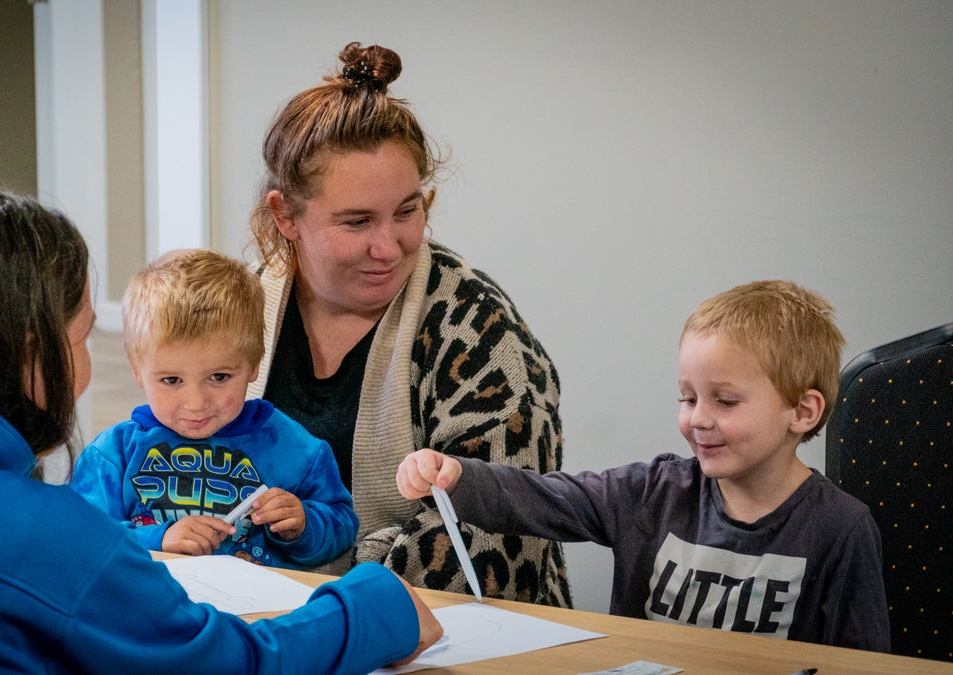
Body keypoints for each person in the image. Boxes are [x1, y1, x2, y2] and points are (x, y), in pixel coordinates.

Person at [0, 187, 441, 672]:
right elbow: (232, 663)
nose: (84, 372)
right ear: (32, 352)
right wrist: (372, 604)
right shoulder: (44, 537)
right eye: (81, 339)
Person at [397, 280, 891, 652]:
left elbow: (867, 663)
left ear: (802, 412)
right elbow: (548, 497)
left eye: (725, 401)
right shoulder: (653, 491)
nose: (698, 419)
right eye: (688, 397)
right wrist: (456, 475)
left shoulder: (841, 529)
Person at [246, 41, 571, 606]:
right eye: (356, 221)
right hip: (257, 616)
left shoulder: (483, 336)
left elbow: (487, 555)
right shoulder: (239, 306)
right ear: (285, 216)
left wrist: (314, 580)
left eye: (407, 211)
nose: (389, 247)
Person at [72, 248, 358, 569]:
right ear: (137, 370)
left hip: (262, 612)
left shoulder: (297, 449)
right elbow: (79, 537)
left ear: (253, 365)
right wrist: (159, 540)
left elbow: (343, 529)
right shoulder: (113, 455)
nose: (195, 403)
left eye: (219, 377)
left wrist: (304, 524)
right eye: (171, 380)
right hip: (151, 609)